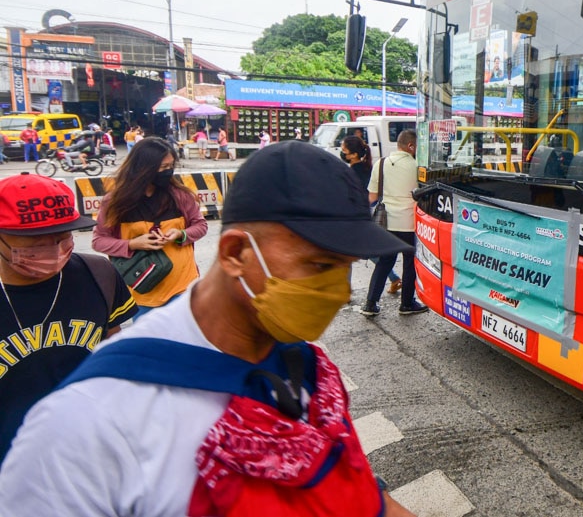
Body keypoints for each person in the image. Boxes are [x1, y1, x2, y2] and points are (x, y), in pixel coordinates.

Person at [0, 142, 416, 517]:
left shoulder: (308, 370)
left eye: (347, 268)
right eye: (320, 265)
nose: (340, 293)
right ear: (234, 252)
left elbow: (356, 495)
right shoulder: (91, 422)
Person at [0, 173, 135, 463]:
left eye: (63, 236)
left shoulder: (99, 275)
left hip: (87, 453)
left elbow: (114, 352)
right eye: (34, 240)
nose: (53, 248)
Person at [92, 137, 208, 315]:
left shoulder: (180, 196)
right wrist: (132, 244)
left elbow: (200, 225)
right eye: (162, 168)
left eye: (171, 166)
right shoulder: (115, 202)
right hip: (142, 292)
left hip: (183, 287)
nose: (168, 172)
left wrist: (180, 234)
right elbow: (99, 241)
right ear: (144, 169)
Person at [362, 129, 427, 316]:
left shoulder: (380, 164)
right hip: (408, 223)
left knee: (384, 262)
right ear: (410, 146)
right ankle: (406, 304)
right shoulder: (416, 166)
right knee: (409, 264)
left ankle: (370, 304)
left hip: (385, 223)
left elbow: (372, 196)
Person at [342, 136, 403, 295]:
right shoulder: (366, 167)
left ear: (354, 154)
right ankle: (394, 278)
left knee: (351, 251)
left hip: (357, 216)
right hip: (363, 214)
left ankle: (346, 290)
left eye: (345, 151)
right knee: (361, 251)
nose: (343, 154)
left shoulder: (354, 172)